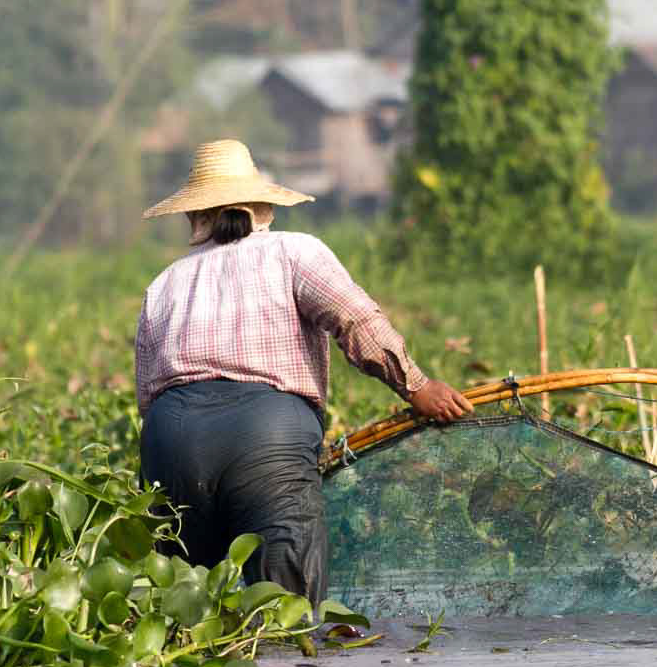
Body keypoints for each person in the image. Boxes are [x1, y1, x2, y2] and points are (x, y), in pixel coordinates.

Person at [134, 139, 471, 605]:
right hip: (265, 433)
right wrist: (416, 386)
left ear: (196, 217)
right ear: (263, 207)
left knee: (189, 614)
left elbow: (148, 396)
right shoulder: (294, 252)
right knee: (288, 612)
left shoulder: (164, 283)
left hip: (170, 438)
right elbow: (354, 318)